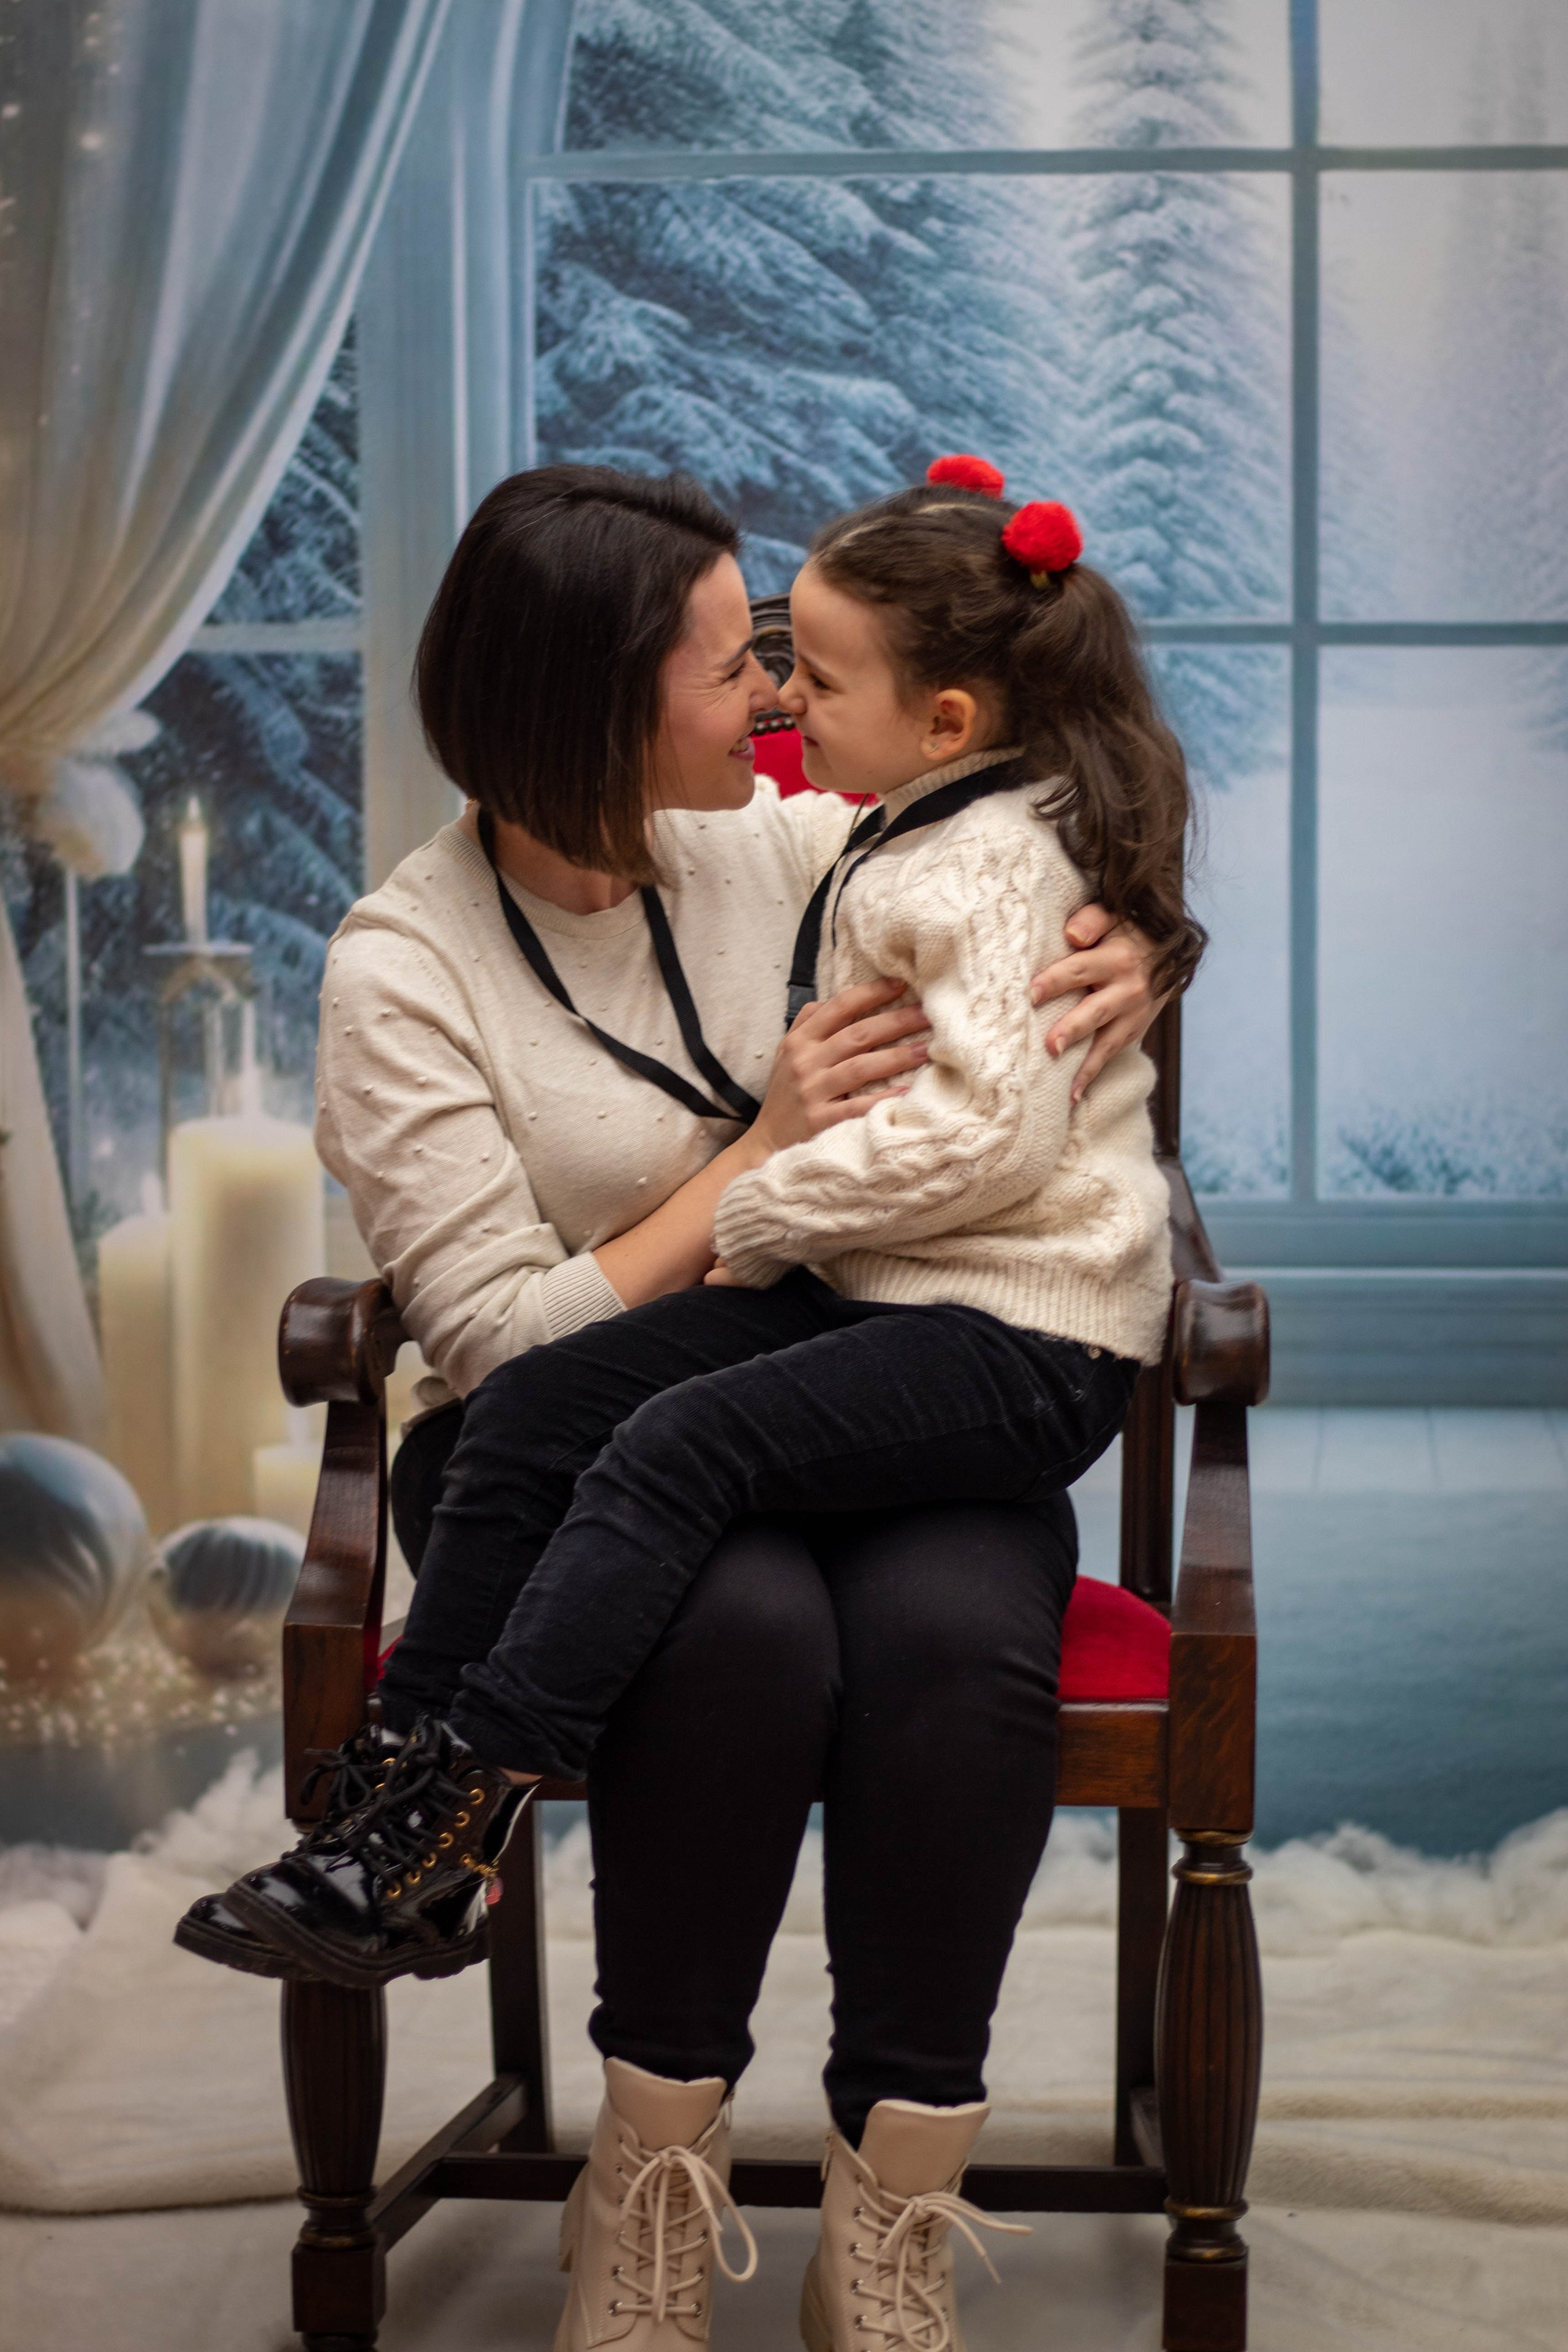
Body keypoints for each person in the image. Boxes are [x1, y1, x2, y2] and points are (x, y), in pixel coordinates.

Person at [176, 464, 1163, 2351]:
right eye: (734, 668)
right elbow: (497, 1342)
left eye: (784, 660)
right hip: (586, 1439)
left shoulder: (784, 839)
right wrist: (761, 1162)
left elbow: (1021, 857)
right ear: (593, 702)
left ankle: (897, 2195)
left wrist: (1146, 951)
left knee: (964, 1640)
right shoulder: (405, 970)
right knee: (743, 1635)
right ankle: (651, 2166)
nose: (780, 705)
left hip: (891, 1381)